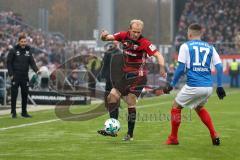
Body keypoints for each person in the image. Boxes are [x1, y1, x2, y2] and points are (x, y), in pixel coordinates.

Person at [97, 19, 167, 141]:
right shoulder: (123, 36)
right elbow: (107, 38)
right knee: (111, 97)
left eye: (138, 32)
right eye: (134, 31)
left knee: (130, 100)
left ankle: (130, 134)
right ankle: (113, 129)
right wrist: (103, 36)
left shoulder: (144, 43)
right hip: (125, 75)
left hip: (139, 77)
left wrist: (162, 67)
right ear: (130, 29)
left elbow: (158, 55)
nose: (136, 34)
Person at [164, 23, 226, 145]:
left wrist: (172, 84)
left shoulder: (185, 46)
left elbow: (181, 68)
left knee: (176, 106)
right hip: (208, 87)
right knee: (199, 107)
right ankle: (214, 134)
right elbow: (219, 67)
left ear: (190, 34)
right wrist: (219, 86)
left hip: (194, 85)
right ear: (200, 34)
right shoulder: (210, 47)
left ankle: (173, 138)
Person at [7, 33, 39, 118]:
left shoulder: (28, 50)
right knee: (14, 94)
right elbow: (9, 63)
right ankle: (13, 112)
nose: (23, 43)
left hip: (25, 76)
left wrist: (37, 70)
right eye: (22, 41)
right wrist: (11, 74)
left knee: (25, 94)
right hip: (15, 76)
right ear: (18, 42)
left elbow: (32, 62)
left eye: (25, 41)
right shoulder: (13, 50)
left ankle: (24, 112)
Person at [101, 42, 121, 119]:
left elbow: (104, 65)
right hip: (112, 81)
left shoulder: (109, 52)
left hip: (113, 81)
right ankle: (114, 120)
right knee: (113, 102)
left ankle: (114, 120)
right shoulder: (118, 53)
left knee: (112, 102)